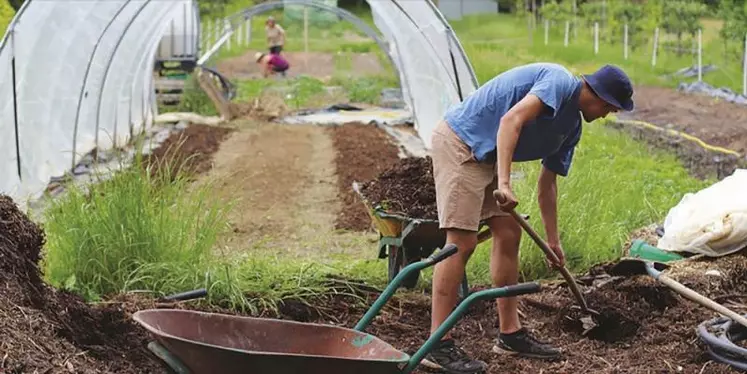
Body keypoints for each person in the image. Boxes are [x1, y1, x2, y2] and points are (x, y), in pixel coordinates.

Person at [423, 63, 634, 374]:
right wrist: (505, 183)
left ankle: (510, 334)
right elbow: (511, 121)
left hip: (488, 156)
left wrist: (553, 242)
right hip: (462, 144)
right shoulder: (559, 82)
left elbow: (547, 185)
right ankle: (437, 344)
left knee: (509, 232)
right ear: (598, 94)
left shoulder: (571, 129)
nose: (607, 115)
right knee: (461, 243)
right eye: (609, 107)